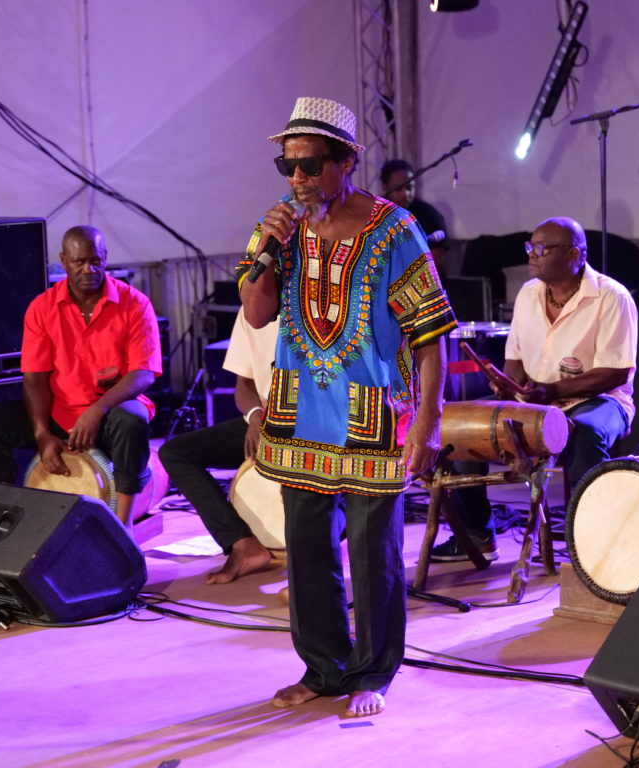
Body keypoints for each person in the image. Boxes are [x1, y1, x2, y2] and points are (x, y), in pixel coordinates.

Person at [239, 97, 456, 718]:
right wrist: (267, 249)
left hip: (372, 412)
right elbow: (256, 313)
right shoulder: (277, 228)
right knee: (307, 548)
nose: (297, 179)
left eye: (310, 166)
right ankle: (323, 667)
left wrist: (428, 423)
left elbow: (430, 336)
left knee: (371, 552)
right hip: (299, 411)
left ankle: (374, 671)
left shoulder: (395, 230)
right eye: (288, 166)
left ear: (346, 162)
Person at [431, 217, 637, 561]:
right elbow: (515, 359)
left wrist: (552, 390)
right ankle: (478, 534)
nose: (531, 254)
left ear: (574, 254)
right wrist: (507, 384)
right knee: (463, 426)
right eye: (531, 246)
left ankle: (590, 542)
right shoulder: (529, 293)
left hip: (600, 401)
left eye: (542, 248)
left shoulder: (611, 297)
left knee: (585, 432)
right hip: (537, 400)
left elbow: (616, 372)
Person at [0, 225, 162, 528]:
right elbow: (34, 376)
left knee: (133, 421)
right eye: (79, 261)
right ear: (63, 260)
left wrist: (97, 410)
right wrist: (41, 433)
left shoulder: (135, 303)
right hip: (60, 410)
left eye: (95, 261)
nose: (88, 269)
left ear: (105, 257)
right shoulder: (42, 307)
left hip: (110, 410)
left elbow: (144, 373)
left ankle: (124, 528)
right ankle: (2, 518)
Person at [157, 309, 279, 584]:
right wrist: (255, 417)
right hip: (265, 420)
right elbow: (243, 384)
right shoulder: (250, 309)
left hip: (312, 426)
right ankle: (241, 543)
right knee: (176, 453)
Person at [379, 159, 450, 268]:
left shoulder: (428, 214)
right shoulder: (376, 214)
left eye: (409, 188)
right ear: (385, 187)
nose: (405, 194)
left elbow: (435, 259)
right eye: (398, 188)